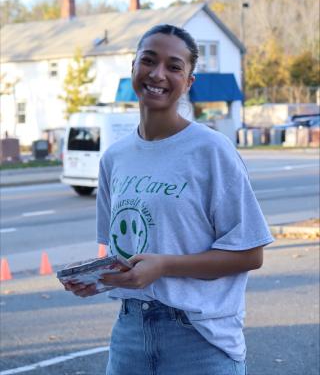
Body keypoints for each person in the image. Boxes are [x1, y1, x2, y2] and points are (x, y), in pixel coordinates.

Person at [63, 24, 274, 375]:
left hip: (199, 337)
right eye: (148, 60)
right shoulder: (115, 158)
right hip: (129, 334)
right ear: (133, 67)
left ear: (188, 82)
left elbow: (251, 253)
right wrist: (100, 278)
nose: (157, 74)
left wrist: (165, 266)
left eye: (174, 66)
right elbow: (127, 253)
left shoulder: (211, 150)